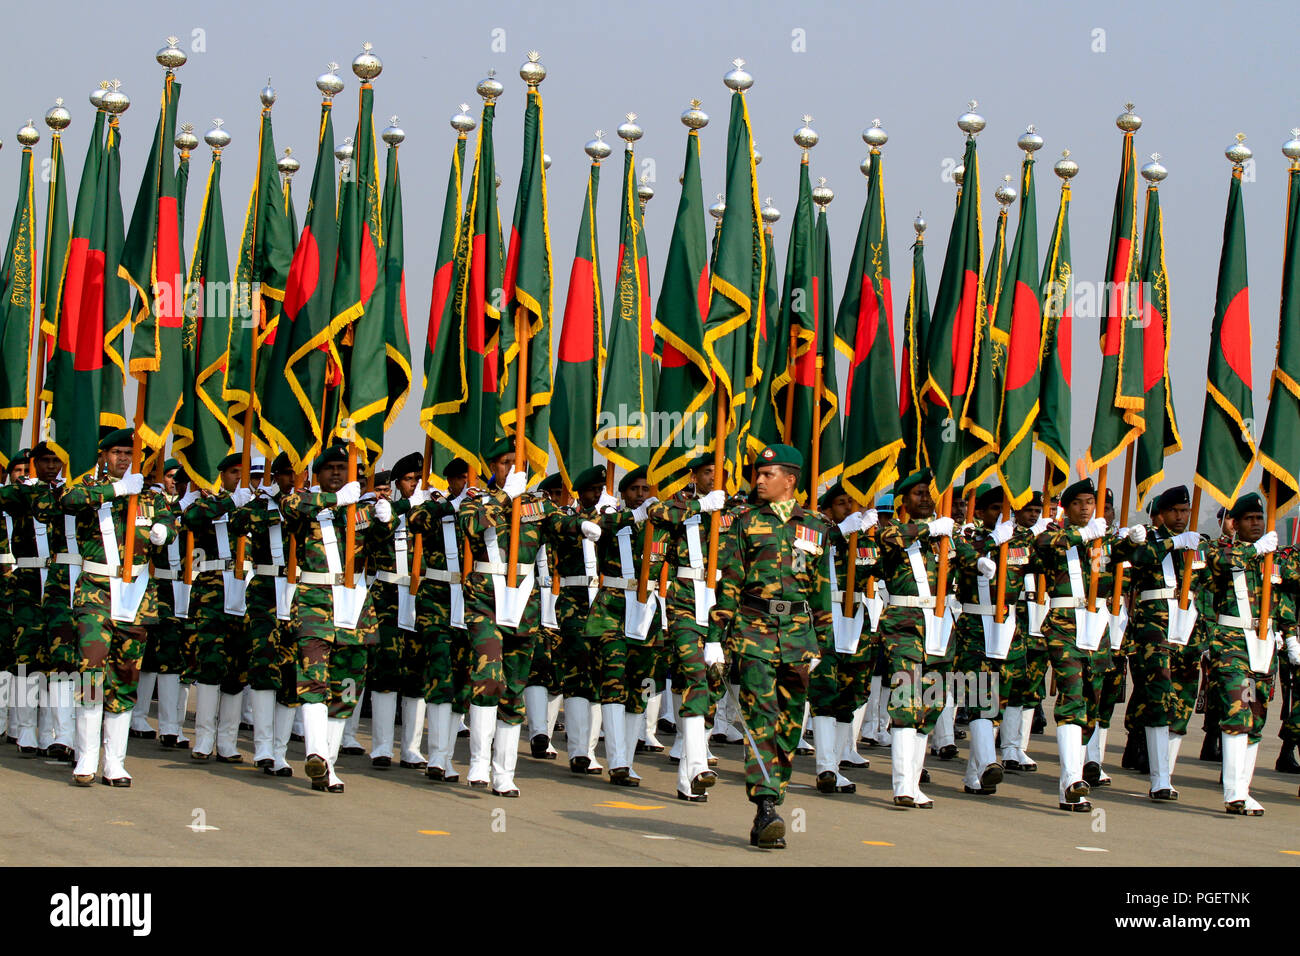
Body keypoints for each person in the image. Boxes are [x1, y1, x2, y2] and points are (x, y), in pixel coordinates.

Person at [710, 444, 832, 849]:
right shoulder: (745, 522)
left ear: (790, 480)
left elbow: (821, 590)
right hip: (754, 631)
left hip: (799, 638)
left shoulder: (816, 524)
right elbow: (729, 583)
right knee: (761, 717)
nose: (758, 481)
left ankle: (775, 793)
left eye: (767, 475)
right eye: (757, 474)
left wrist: (822, 644)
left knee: (790, 724)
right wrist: (716, 639)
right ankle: (765, 806)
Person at [61, 429, 176, 786]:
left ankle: (115, 762)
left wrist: (164, 529)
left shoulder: (149, 496)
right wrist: (115, 490)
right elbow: (68, 502)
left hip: (135, 594)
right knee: (92, 671)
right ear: (102, 456)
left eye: (129, 453)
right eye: (117, 452)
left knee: (126, 677)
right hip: (96, 592)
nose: (123, 459)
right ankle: (86, 758)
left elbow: (170, 522)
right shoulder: (88, 489)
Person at [456, 438, 568, 796]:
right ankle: (478, 761)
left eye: (513, 462)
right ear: (492, 466)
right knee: (488, 678)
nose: (508, 468)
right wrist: (506, 498)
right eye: (502, 462)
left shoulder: (537, 504)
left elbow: (562, 526)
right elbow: (472, 525)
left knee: (514, 689)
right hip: (485, 600)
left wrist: (583, 526)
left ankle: (504, 771)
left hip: (524, 602)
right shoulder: (477, 499)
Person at [278, 444, 389, 793]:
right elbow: (290, 507)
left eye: (344, 467)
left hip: (354, 608)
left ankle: (329, 763)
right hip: (314, 603)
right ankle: (315, 753)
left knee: (346, 687)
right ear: (317, 475)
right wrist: (336, 501)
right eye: (331, 469)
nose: (338, 474)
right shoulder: (303, 503)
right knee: (313, 679)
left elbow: (383, 545)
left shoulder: (362, 508)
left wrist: (387, 515)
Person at [874, 468, 961, 808]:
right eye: (917, 494)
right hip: (905, 626)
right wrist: (929, 528)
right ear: (904, 501)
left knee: (931, 704)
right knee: (906, 701)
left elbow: (965, 560)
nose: (925, 498)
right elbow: (889, 540)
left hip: (940, 627)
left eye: (928, 493)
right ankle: (902, 786)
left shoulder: (946, 536)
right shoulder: (894, 530)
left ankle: (914, 778)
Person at [1033, 477, 1118, 812]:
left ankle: (1074, 778)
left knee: (1093, 704)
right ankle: (1070, 780)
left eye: (1090, 503)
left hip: (1097, 626)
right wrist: (1084, 534)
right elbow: (1042, 544)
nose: (1085, 509)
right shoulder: (1058, 535)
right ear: (1066, 508)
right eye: (1079, 503)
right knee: (1072, 696)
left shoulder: (1103, 539)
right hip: (1065, 625)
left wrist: (1130, 542)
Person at [647, 455, 730, 800]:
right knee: (695, 675)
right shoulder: (680, 503)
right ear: (694, 475)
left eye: (719, 472)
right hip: (684, 599)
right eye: (708, 472)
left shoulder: (733, 507)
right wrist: (700, 506)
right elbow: (657, 514)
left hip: (721, 603)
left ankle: (689, 770)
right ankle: (697, 766)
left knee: (713, 681)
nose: (714, 477)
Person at [1116, 484, 1205, 799]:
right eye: (1175, 512)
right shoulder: (1147, 539)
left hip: (1190, 627)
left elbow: (1210, 582)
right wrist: (1173, 542)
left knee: (1182, 699)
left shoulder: (1197, 543)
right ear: (1162, 514)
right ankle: (1159, 778)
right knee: (1158, 695)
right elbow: (1135, 558)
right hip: (1155, 627)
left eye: (1185, 511)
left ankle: (1167, 767)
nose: (1181, 517)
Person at [587, 466, 668, 787]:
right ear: (622, 493)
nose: (641, 494)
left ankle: (628, 761)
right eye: (634, 489)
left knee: (640, 686)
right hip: (613, 607)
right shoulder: (611, 517)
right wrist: (634, 517)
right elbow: (592, 526)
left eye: (646, 489)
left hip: (647, 610)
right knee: (613, 680)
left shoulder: (661, 526)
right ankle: (617, 761)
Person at [1208, 493, 1286, 815]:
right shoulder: (1221, 551)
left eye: (1259, 518)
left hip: (1264, 647)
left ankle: (1243, 788)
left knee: (1255, 716)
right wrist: (1255, 550)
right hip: (1233, 646)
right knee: (1238, 711)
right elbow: (1220, 563)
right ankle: (1234, 793)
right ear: (1235, 524)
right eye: (1249, 519)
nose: (1256, 523)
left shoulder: (1276, 557)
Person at [179, 453, 255, 762]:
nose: (239, 478)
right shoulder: (208, 503)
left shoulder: (255, 504)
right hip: (212, 589)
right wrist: (229, 502)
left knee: (237, 669)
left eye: (244, 473)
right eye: (234, 472)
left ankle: (227, 741)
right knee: (210, 663)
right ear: (221, 475)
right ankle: (204, 738)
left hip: (247, 587)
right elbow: (190, 519)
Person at [807, 482, 876, 795]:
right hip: (825, 617)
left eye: (853, 502)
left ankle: (839, 759)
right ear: (827, 507)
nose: (849, 509)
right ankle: (825, 766)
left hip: (857, 616)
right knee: (824, 690)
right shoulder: (817, 529)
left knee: (851, 691)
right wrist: (840, 531)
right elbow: (803, 554)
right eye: (841, 503)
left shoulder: (864, 535)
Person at [407, 457, 470, 783]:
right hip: (437, 598)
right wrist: (452, 505)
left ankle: (445, 755)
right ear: (449, 481)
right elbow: (414, 520)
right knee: (440, 670)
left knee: (463, 678)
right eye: (459, 478)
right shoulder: (436, 508)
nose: (465, 482)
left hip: (473, 599)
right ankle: (438, 756)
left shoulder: (483, 508)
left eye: (469, 477)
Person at [239, 452, 298, 775]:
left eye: (296, 474)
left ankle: (280, 750)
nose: (292, 480)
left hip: (301, 592)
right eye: (287, 474)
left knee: (291, 674)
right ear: (275, 477)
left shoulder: (311, 505)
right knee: (264, 666)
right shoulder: (261, 505)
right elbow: (238, 522)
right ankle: (262, 747)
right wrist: (270, 506)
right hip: (265, 589)